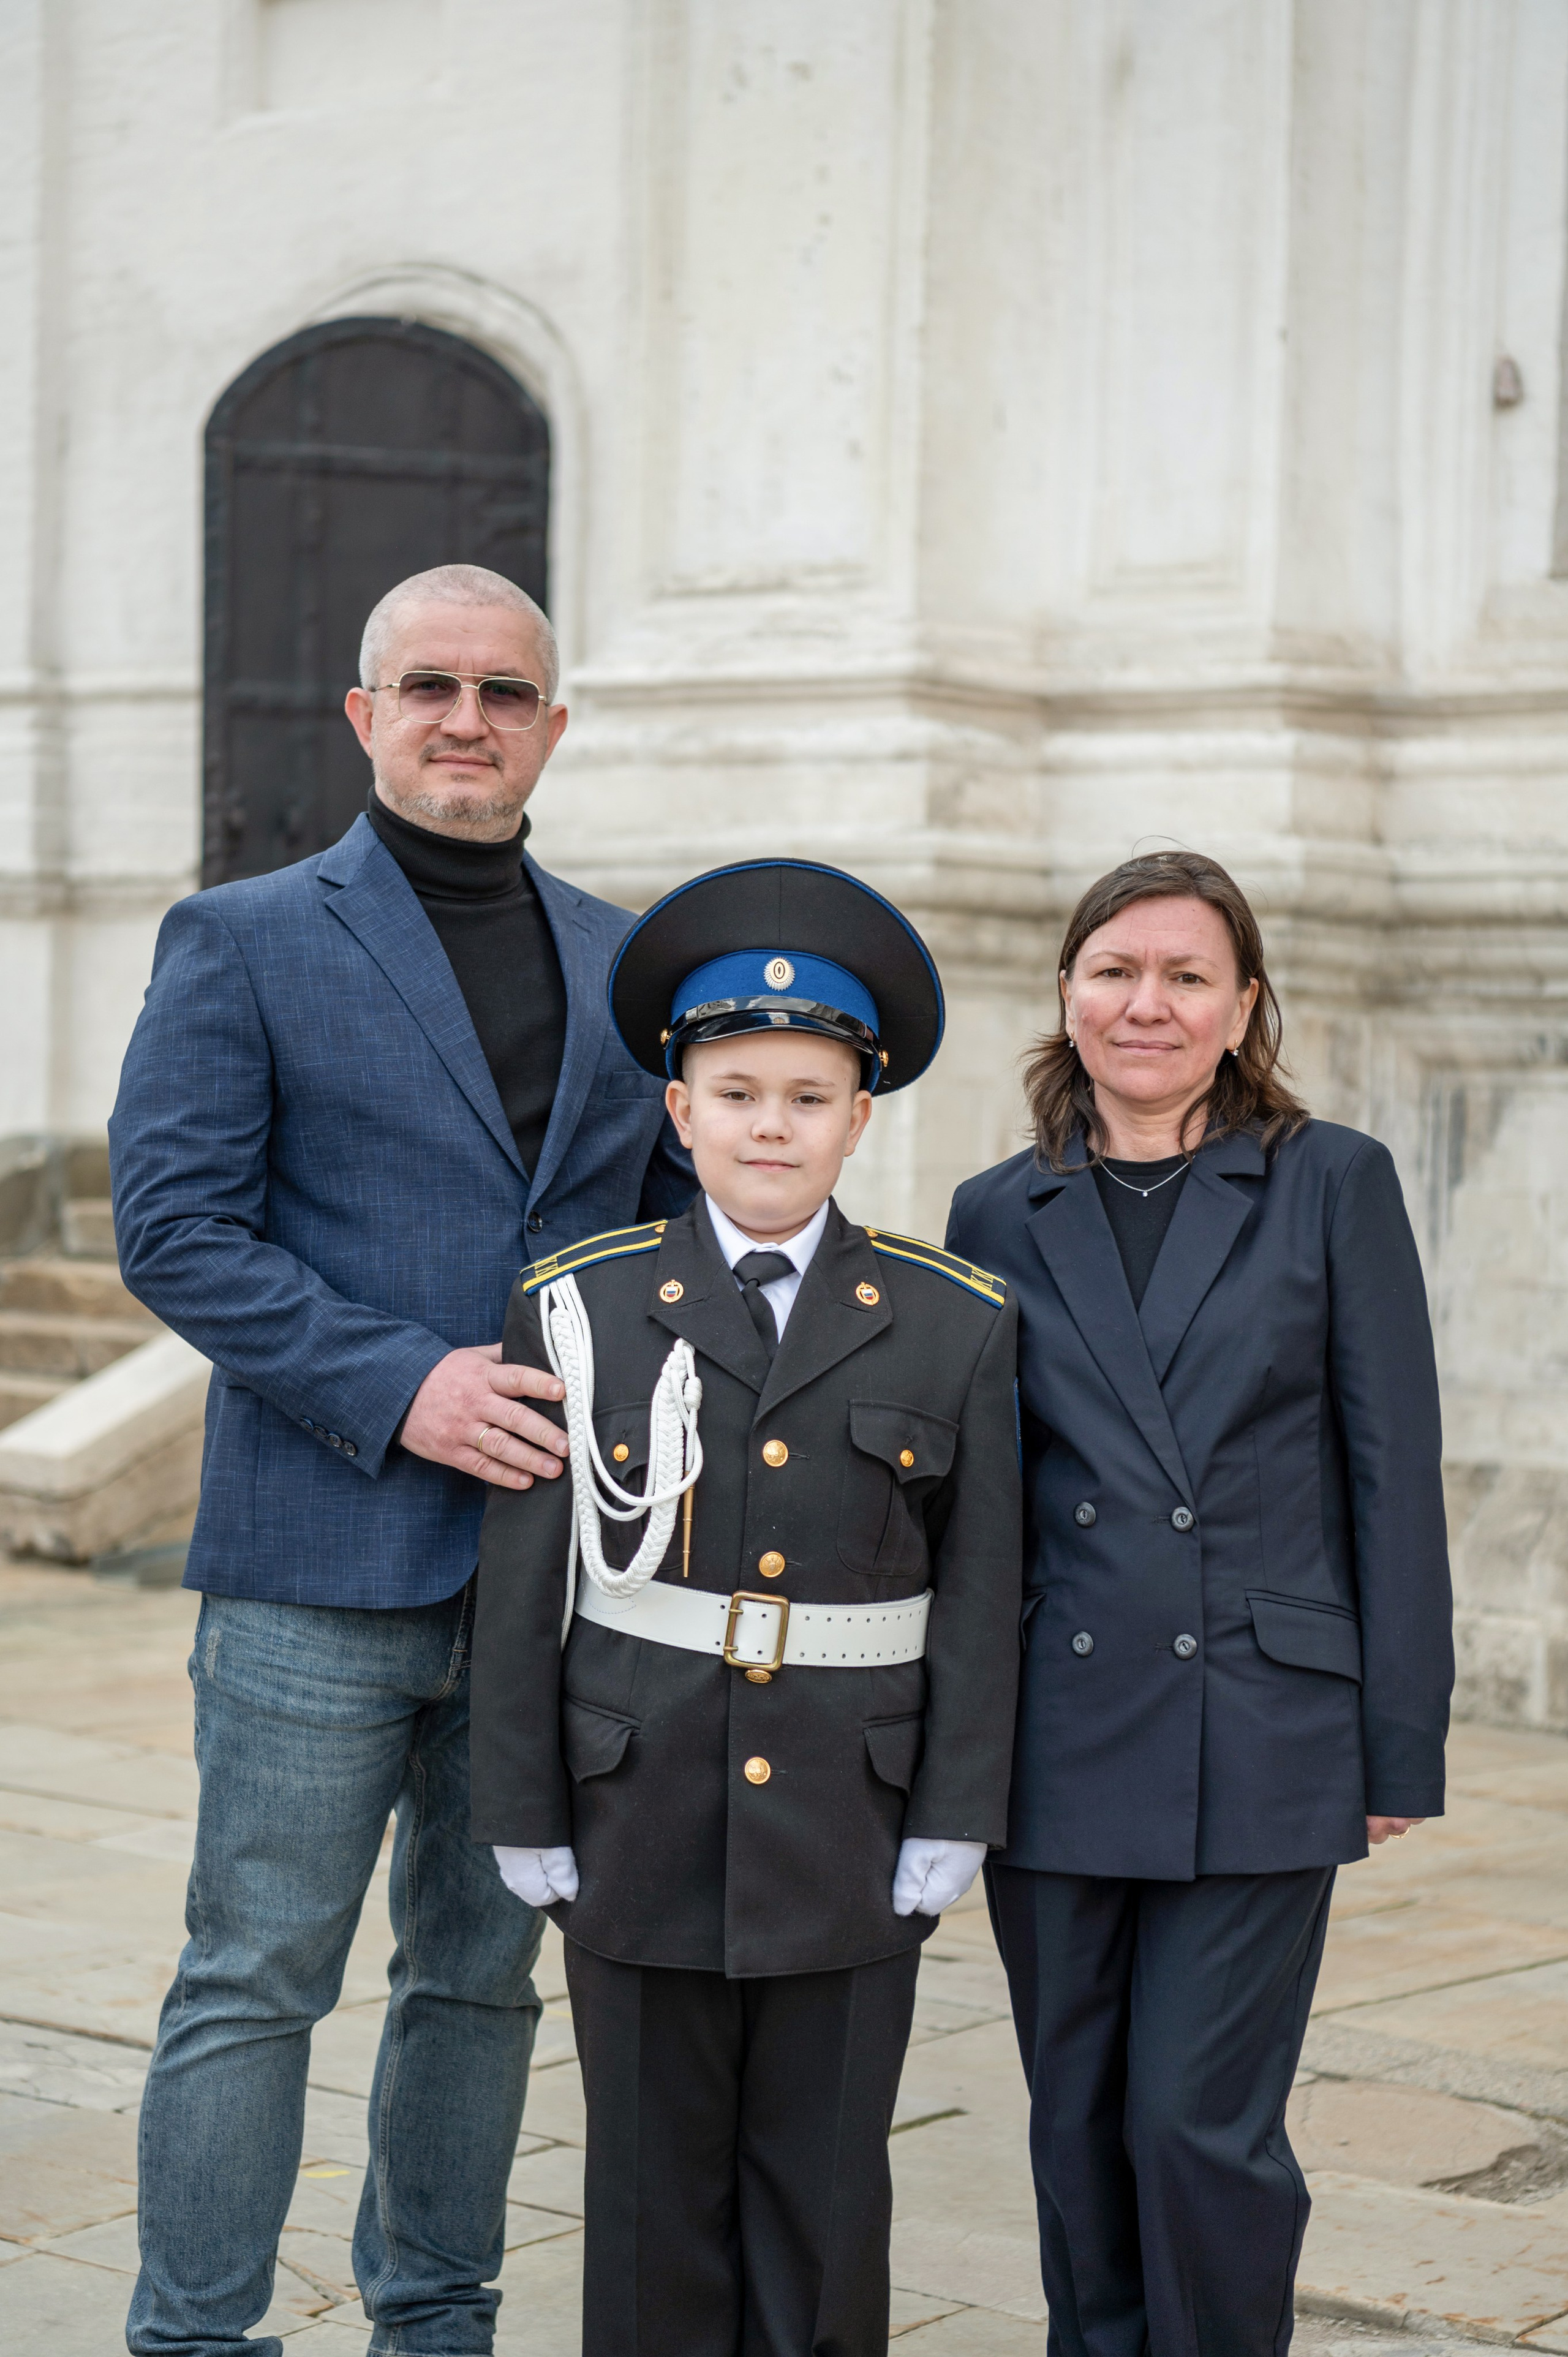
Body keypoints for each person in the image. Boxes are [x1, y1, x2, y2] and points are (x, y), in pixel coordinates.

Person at [108, 564, 693, 2357]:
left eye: (505, 691)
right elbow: (177, 1229)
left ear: (553, 727)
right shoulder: (246, 937)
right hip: (317, 1560)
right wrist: (401, 1385)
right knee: (251, 1982)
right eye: (428, 687)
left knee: (482, 1982)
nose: (467, 718)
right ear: (364, 718)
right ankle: (199, 2339)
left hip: (551, 1579)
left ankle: (436, 2324)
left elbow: (671, 1242)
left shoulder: (630, 961)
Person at [467, 859, 1023, 2357]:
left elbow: (979, 1586)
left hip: (850, 1818)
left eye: (804, 1094)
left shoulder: (952, 1317)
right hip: (633, 1808)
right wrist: (520, 1795)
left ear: (860, 1115)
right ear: (677, 1110)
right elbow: (530, 1577)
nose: (767, 1122)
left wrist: (952, 1808)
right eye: (734, 1090)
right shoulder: (574, 1303)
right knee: (647, 2200)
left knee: (827, 2191)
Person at [946, 847, 1453, 2357]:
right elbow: (977, 1504)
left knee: (1194, 2125)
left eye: (1183, 976)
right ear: (1066, 994)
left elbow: (1390, 1468)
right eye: (1113, 970)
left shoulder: (1330, 1181)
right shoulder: (994, 1209)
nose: (1144, 1003)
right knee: (1076, 2120)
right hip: (1056, 1731)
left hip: (1261, 1718)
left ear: (1241, 1007)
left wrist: (1394, 1740)